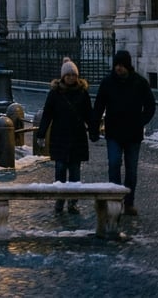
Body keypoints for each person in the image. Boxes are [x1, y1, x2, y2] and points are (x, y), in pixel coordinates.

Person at [92, 50, 156, 216]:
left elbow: (150, 105)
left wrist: (141, 121)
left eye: (121, 65)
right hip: (113, 132)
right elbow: (99, 106)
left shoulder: (139, 82)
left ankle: (129, 203)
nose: (118, 68)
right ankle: (115, 202)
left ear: (127, 65)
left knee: (131, 170)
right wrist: (94, 127)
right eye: (116, 65)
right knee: (114, 165)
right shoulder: (107, 83)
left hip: (133, 134)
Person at [36, 58, 96, 213]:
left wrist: (94, 130)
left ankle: (73, 201)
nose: (71, 77)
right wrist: (41, 134)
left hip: (77, 136)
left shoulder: (82, 93)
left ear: (77, 76)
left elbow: (89, 114)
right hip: (59, 136)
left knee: (75, 171)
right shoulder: (55, 93)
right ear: (63, 76)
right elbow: (47, 115)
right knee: (60, 169)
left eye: (73, 75)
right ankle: (60, 199)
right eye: (68, 75)